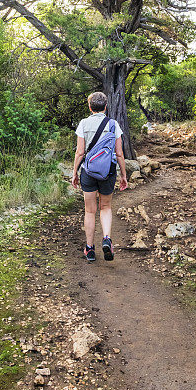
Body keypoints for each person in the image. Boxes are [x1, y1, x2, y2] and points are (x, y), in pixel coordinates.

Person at [71, 91, 128, 262]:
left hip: (88, 172)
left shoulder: (83, 124)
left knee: (89, 210)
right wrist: (123, 175)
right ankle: (107, 239)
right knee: (106, 207)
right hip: (108, 172)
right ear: (106, 107)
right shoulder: (113, 124)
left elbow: (80, 152)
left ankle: (89, 249)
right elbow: (119, 153)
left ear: (90, 107)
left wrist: (74, 172)